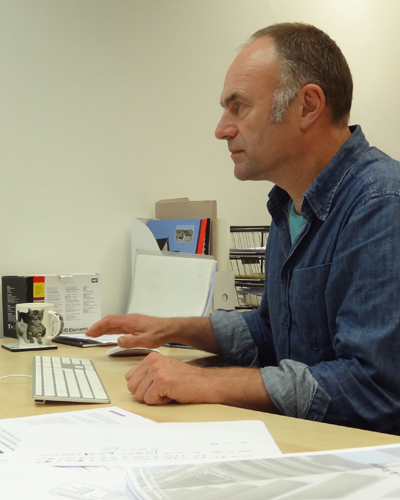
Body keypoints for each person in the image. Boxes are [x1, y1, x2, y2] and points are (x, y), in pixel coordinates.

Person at [86, 23, 400, 434]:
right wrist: (170, 328)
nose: (222, 129)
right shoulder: (289, 203)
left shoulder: (381, 205)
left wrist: (208, 382)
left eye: (238, 107)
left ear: (307, 106)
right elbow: (273, 330)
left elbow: (373, 387)